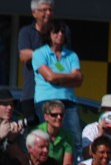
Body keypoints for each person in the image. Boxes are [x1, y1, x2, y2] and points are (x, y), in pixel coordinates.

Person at [32, 19, 81, 151]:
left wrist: (57, 79)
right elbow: (49, 76)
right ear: (49, 34)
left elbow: (79, 80)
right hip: (46, 101)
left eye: (63, 32)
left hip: (69, 102)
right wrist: (69, 77)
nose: (60, 34)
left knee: (75, 139)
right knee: (45, 138)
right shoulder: (39, 53)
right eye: (56, 31)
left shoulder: (71, 55)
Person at [18, 0, 70, 123]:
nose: (48, 13)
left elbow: (64, 61)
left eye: (50, 10)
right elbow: (24, 56)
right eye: (44, 10)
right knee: (34, 136)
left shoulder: (62, 32)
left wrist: (37, 55)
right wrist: (47, 55)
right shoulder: (26, 32)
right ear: (34, 12)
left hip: (56, 95)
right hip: (32, 94)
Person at [35, 100, 74, 165]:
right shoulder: (37, 132)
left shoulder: (67, 136)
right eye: (54, 115)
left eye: (61, 114)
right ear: (46, 117)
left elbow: (68, 163)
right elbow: (34, 161)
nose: (59, 117)